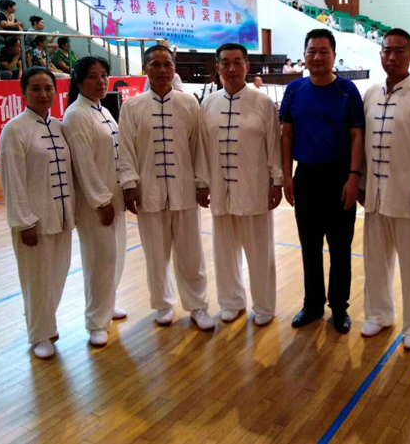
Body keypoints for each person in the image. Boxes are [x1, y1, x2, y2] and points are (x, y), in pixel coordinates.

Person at [117, 45, 212, 329]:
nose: (162, 70)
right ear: (145, 69)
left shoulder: (189, 103)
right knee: (156, 256)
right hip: (149, 193)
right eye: (155, 65)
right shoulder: (132, 107)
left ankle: (198, 305)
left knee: (191, 254)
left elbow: (198, 147)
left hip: (184, 191)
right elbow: (125, 149)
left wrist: (202, 182)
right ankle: (163, 304)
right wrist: (129, 185)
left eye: (167, 65)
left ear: (174, 69)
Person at [359, 28, 410, 350]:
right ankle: (378, 314)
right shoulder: (370, 94)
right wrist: (362, 182)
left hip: (409, 196)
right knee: (375, 260)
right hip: (375, 195)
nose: (391, 57)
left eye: (399, 51)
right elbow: (361, 144)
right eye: (386, 50)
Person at [280, 28, 365, 334]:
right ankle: (312, 304)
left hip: (340, 177)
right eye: (311, 51)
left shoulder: (347, 91)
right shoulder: (294, 90)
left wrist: (353, 177)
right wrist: (286, 176)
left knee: (340, 248)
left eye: (323, 51)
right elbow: (287, 135)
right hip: (306, 177)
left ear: (333, 55)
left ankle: (339, 308)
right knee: (310, 247)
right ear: (304, 56)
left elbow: (357, 136)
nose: (317, 57)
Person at [197, 43, 282, 327]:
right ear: (217, 67)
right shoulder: (208, 104)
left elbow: (274, 146)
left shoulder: (263, 103)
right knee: (224, 252)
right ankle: (231, 302)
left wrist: (276, 181)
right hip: (220, 189)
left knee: (260, 252)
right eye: (225, 63)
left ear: (247, 66)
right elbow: (201, 149)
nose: (231, 68)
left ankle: (264, 305)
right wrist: (202, 183)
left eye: (237, 62)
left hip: (254, 188)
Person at [0, 67, 74, 360]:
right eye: (36, 88)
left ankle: (46, 324)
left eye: (48, 88)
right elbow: (12, 180)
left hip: (62, 217)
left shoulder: (59, 126)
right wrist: (24, 222)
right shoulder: (14, 130)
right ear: (23, 93)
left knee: (57, 275)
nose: (43, 94)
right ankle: (39, 334)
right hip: (34, 222)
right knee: (36, 280)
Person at [62, 57, 128, 348]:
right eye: (92, 76)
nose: (101, 81)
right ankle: (96, 322)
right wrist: (100, 201)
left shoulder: (103, 110)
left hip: (115, 199)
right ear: (78, 82)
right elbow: (84, 164)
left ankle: (107, 304)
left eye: (104, 75)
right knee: (98, 262)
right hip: (96, 205)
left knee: (115, 257)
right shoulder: (76, 115)